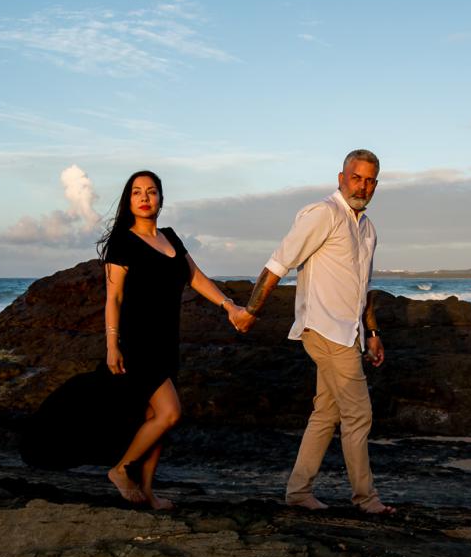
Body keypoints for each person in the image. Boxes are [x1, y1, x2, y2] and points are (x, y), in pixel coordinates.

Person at [233, 150, 395, 514]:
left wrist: (372, 334)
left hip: (348, 334)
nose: (363, 186)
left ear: (376, 185)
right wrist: (250, 312)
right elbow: (279, 261)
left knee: (326, 412)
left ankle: (298, 491)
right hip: (322, 329)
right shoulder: (323, 214)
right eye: (357, 177)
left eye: (370, 180)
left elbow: (364, 287)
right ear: (341, 178)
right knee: (359, 413)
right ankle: (366, 499)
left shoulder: (367, 229)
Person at [100, 170, 248, 509]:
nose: (144, 197)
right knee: (170, 413)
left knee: (158, 421)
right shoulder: (123, 241)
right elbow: (114, 298)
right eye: (136, 192)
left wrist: (229, 305)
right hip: (138, 342)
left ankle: (148, 493)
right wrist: (112, 344)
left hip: (168, 341)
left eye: (151, 192)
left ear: (161, 199)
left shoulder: (170, 237)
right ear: (128, 200)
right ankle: (120, 470)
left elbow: (196, 277)